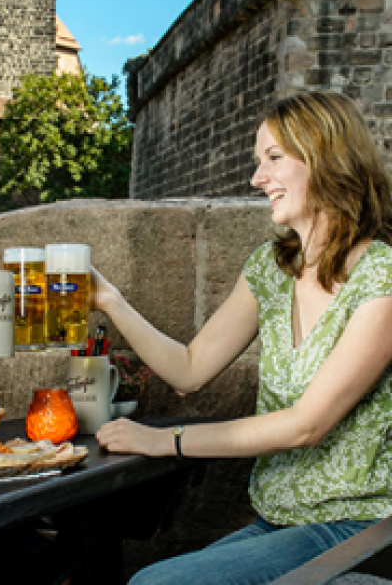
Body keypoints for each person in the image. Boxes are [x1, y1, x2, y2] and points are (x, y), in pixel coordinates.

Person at [93, 91, 392, 585]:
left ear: (327, 158)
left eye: (274, 158)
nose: (257, 178)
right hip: (277, 521)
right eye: (259, 161)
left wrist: (165, 440)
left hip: (357, 525)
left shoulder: (381, 275)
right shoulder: (270, 270)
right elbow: (189, 368)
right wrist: (111, 301)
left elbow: (305, 426)